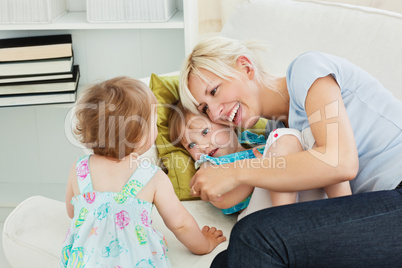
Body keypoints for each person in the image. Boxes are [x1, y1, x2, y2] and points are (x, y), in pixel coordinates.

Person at [178, 36, 402, 267]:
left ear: (245, 67)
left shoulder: (307, 70)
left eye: (214, 91)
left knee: (253, 235)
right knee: (225, 261)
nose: (215, 114)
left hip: (396, 194)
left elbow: (341, 162)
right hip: (370, 210)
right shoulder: (281, 132)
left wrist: (234, 171)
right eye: (205, 109)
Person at [60, 77, 226, 267]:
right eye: (154, 123)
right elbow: (181, 224)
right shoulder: (152, 176)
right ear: (139, 138)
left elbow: (72, 211)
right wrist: (204, 245)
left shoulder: (80, 168)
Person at [168, 102, 351, 220]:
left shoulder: (254, 140)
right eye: (191, 145)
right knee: (283, 136)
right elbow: (222, 200)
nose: (202, 146)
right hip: (261, 215)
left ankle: (347, 212)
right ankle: (285, 225)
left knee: (314, 134)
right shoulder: (210, 166)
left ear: (227, 123)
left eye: (205, 132)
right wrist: (259, 170)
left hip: (299, 195)